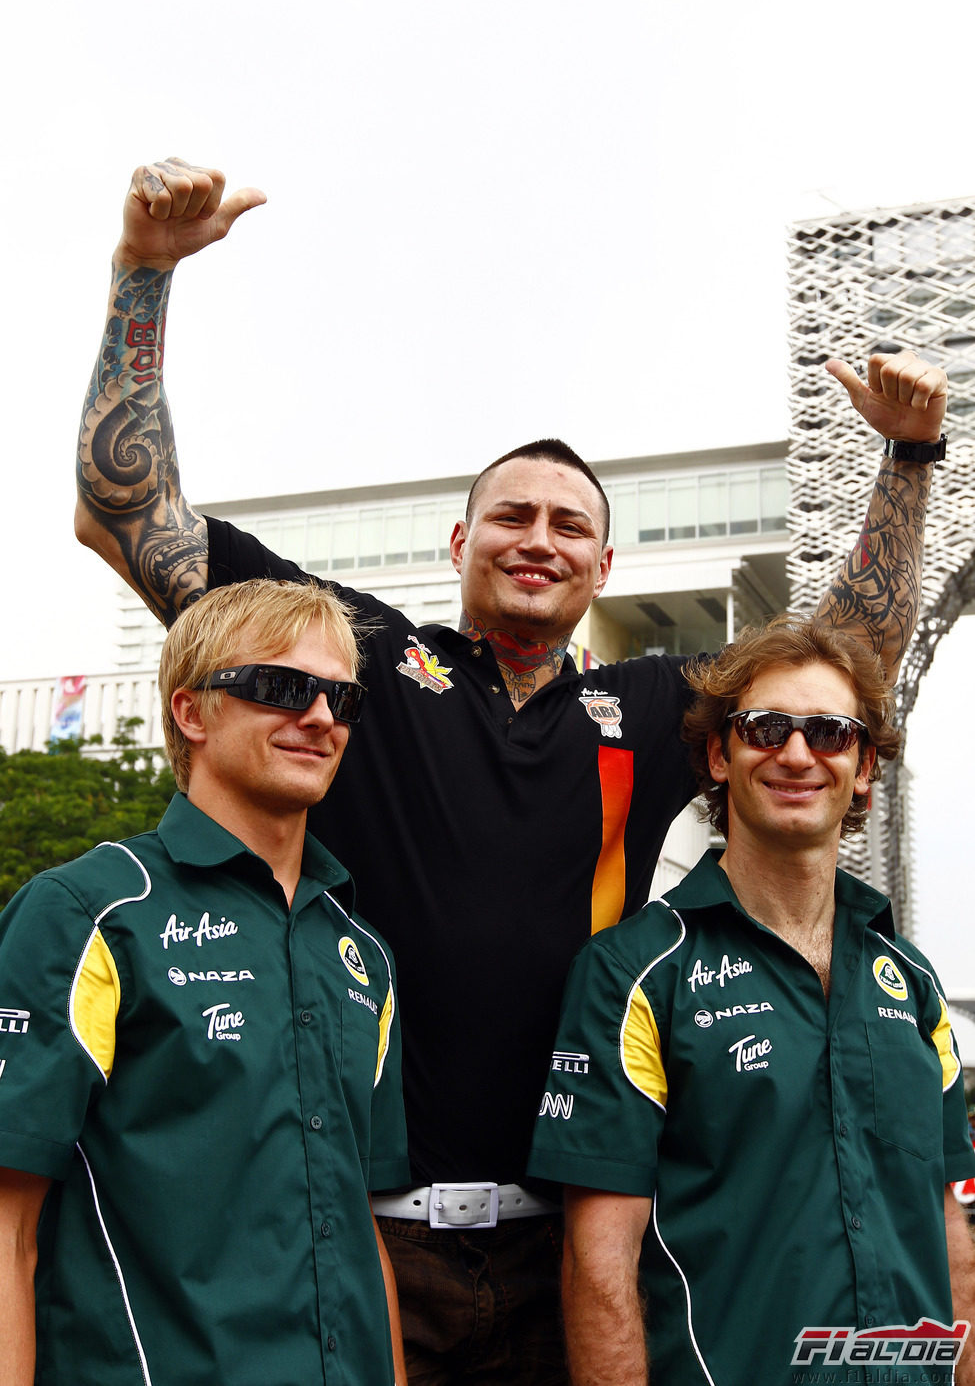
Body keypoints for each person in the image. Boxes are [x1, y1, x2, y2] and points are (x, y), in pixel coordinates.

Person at [75, 156, 950, 1385]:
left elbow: (845, 659)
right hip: (363, 1235)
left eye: (570, 524)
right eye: (512, 515)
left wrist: (910, 462)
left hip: (573, 1244)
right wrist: (145, 271)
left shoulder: (652, 704)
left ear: (604, 566)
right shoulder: (358, 656)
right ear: (461, 542)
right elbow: (127, 510)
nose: (540, 537)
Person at [528, 616, 975, 1386]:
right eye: (766, 727)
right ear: (716, 754)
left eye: (830, 733)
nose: (797, 753)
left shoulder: (913, 980)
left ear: (864, 766)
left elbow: (946, 1231)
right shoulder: (632, 971)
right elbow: (599, 1265)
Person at [0, 578, 410, 1386]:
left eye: (341, 697)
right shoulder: (87, 911)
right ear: (192, 712)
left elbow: (364, 1232)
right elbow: (7, 1225)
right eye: (282, 687)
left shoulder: (363, 952)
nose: (321, 717)